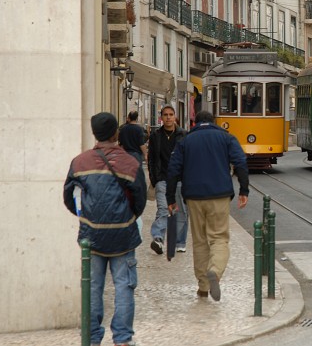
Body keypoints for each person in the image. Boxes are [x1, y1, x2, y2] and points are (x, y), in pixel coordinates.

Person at [63, 112, 146, 346]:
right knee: (124, 287)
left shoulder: (79, 162)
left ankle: (91, 337)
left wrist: (87, 218)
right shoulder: (130, 162)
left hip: (92, 235)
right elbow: (139, 199)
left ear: (94, 133)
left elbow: (69, 197)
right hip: (123, 234)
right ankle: (122, 339)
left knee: (92, 287)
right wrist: (128, 216)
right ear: (115, 133)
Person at [166, 110, 249, 301]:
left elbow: (173, 169)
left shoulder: (185, 141)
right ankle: (215, 271)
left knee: (200, 241)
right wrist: (244, 190)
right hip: (219, 195)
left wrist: (170, 197)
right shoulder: (226, 138)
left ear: (195, 122)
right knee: (219, 238)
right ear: (213, 122)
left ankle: (203, 286)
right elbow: (241, 162)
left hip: (194, 197)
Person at [148, 105, 188, 255]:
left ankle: (180, 241)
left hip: (179, 179)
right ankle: (158, 238)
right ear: (161, 117)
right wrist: (155, 178)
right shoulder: (155, 136)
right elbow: (151, 158)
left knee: (181, 211)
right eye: (165, 115)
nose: (168, 117)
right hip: (162, 178)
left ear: (175, 116)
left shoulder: (183, 135)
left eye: (171, 114)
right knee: (163, 209)